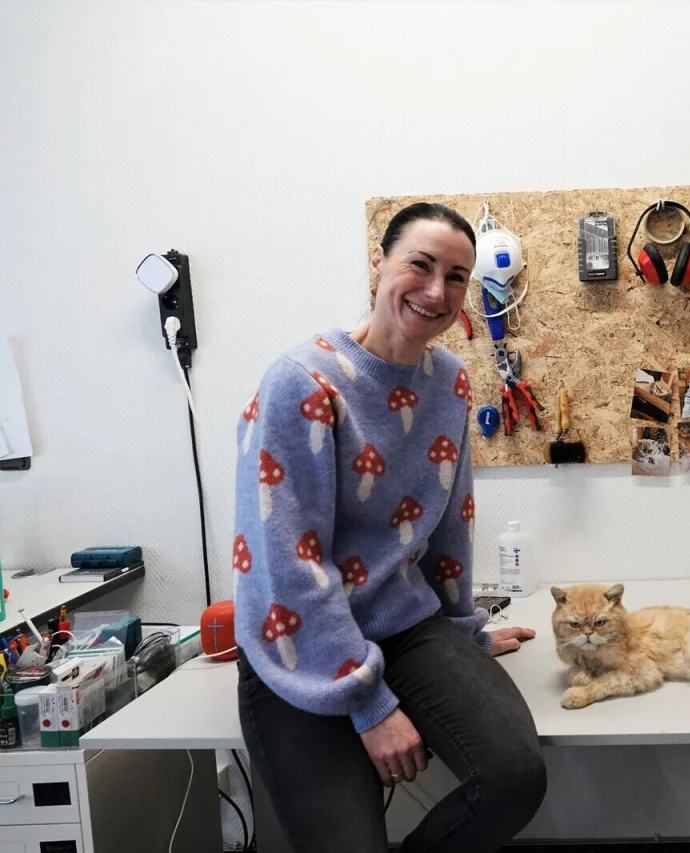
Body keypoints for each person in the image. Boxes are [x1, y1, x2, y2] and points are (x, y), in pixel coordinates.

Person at [233, 202, 546, 852]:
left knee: (514, 778)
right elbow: (286, 562)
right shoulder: (303, 382)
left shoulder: (449, 381)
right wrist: (369, 703)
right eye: (420, 266)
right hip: (300, 639)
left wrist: (465, 635)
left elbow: (451, 525)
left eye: (456, 277)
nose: (436, 291)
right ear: (378, 265)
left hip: (405, 627)